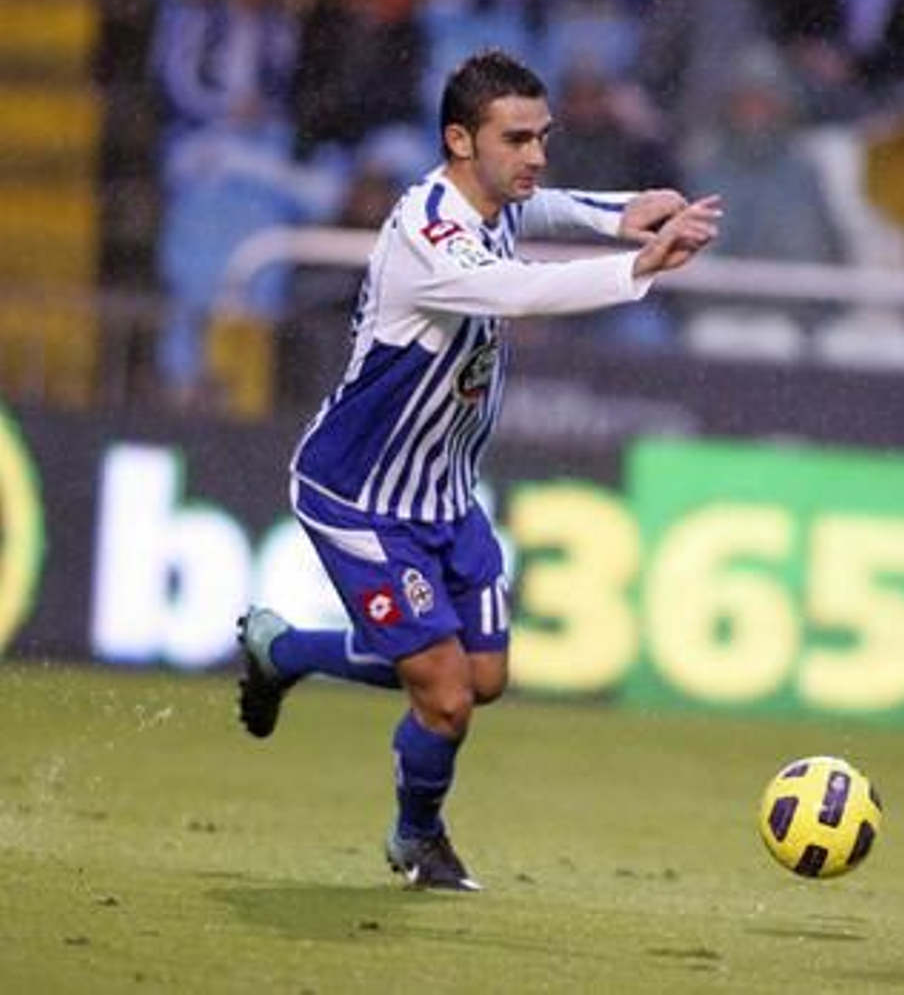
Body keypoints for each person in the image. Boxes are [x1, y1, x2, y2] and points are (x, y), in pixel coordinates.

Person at [234, 49, 720, 891]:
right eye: (517, 139)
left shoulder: (494, 196)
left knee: (482, 677)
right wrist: (637, 263)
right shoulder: (428, 231)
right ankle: (416, 839)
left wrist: (620, 214)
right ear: (460, 140)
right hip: (360, 497)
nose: (536, 155)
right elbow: (516, 291)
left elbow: (543, 209)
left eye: (543, 136)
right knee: (447, 697)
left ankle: (285, 650)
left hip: (445, 497)